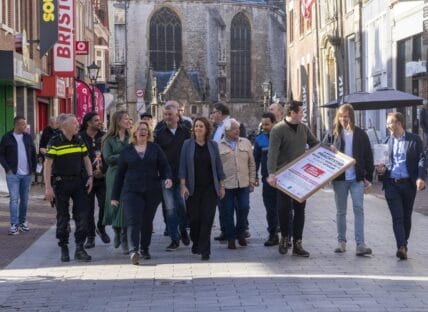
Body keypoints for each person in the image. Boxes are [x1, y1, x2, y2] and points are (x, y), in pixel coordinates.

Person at [111, 121, 172, 265]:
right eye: (140, 129)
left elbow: (164, 166)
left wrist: (167, 178)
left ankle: (145, 248)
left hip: (152, 191)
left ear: (148, 133)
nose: (143, 131)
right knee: (133, 220)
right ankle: (134, 251)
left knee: (147, 222)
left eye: (145, 129)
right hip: (131, 191)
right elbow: (120, 174)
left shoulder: (155, 148)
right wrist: (114, 196)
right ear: (134, 133)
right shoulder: (127, 151)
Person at [267, 101, 319, 257]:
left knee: (300, 210)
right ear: (293, 113)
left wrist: (329, 148)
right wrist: (271, 173)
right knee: (283, 209)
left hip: (301, 176)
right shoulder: (278, 130)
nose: (303, 114)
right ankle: (284, 238)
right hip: (284, 176)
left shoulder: (303, 128)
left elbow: (315, 143)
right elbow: (273, 153)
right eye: (301, 111)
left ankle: (298, 243)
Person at [323, 104, 374, 256]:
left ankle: (360, 244)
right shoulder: (333, 133)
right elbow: (322, 150)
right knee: (341, 211)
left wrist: (368, 177)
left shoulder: (361, 134)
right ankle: (341, 242)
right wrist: (329, 148)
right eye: (340, 116)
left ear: (351, 116)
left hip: (356, 178)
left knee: (359, 209)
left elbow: (368, 157)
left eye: (346, 116)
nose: (343, 119)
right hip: (340, 179)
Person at [43, 114, 93, 262]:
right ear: (65, 126)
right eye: (75, 123)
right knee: (63, 217)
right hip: (61, 183)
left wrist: (90, 177)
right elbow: (47, 165)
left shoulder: (79, 140)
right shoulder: (55, 142)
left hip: (79, 182)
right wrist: (48, 187)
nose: (77, 125)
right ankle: (64, 247)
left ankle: (79, 248)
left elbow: (86, 159)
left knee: (83, 215)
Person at [376, 112, 425, 260]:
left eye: (390, 122)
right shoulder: (385, 142)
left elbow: (422, 159)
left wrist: (420, 177)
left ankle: (404, 242)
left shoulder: (414, 140)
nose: (387, 125)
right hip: (391, 184)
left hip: (408, 184)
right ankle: (401, 246)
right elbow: (381, 165)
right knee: (397, 217)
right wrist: (380, 169)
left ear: (399, 123)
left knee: (406, 217)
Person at [179, 117, 226, 260]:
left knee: (207, 218)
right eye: (196, 126)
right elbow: (182, 166)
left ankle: (205, 250)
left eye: (201, 126)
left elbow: (218, 166)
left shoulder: (212, 145)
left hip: (210, 188)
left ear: (206, 129)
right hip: (193, 188)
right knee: (194, 220)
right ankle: (196, 241)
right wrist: (182, 185)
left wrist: (222, 186)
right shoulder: (187, 144)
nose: (198, 128)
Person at [154, 101, 191, 251]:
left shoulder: (186, 131)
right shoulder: (159, 133)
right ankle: (174, 238)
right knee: (169, 208)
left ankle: (183, 229)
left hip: (182, 176)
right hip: (166, 176)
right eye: (165, 115)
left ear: (177, 115)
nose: (167, 117)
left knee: (181, 206)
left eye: (170, 115)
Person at [218, 118, 256, 249]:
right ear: (227, 131)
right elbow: (217, 167)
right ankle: (231, 237)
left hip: (243, 183)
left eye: (238, 128)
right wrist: (219, 184)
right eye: (234, 129)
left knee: (244, 208)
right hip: (227, 185)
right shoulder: (219, 145)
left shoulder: (245, 142)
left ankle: (240, 233)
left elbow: (251, 163)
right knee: (227, 212)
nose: (237, 131)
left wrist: (252, 180)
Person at [0, 116, 37, 235]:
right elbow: (1, 155)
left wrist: (33, 169)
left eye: (25, 124)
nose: (25, 127)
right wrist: (8, 169)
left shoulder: (28, 137)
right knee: (14, 199)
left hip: (27, 174)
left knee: (25, 200)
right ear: (16, 125)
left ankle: (22, 222)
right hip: (13, 174)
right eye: (23, 125)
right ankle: (14, 225)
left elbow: (33, 153)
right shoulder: (7, 137)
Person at [79, 112, 110, 248]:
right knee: (88, 209)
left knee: (104, 205)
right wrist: (88, 174)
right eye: (96, 120)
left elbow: (108, 156)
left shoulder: (104, 137)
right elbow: (78, 158)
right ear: (88, 123)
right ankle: (90, 236)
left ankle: (101, 227)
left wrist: (103, 172)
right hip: (86, 180)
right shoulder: (79, 137)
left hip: (102, 178)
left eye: (99, 120)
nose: (99, 122)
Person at [102, 110, 131, 254]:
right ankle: (116, 231)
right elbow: (108, 158)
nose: (128, 121)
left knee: (126, 204)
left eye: (129, 119)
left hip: (129, 174)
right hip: (113, 175)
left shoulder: (131, 137)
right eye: (125, 119)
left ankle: (125, 237)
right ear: (118, 121)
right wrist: (125, 156)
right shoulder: (109, 140)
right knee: (114, 203)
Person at [253, 112, 279, 247]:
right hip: (267, 179)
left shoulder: (281, 136)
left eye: (267, 124)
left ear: (274, 123)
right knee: (270, 209)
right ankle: (273, 234)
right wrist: (254, 176)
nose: (264, 127)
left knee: (284, 208)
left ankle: (287, 235)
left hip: (283, 178)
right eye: (263, 124)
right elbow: (255, 160)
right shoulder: (259, 139)